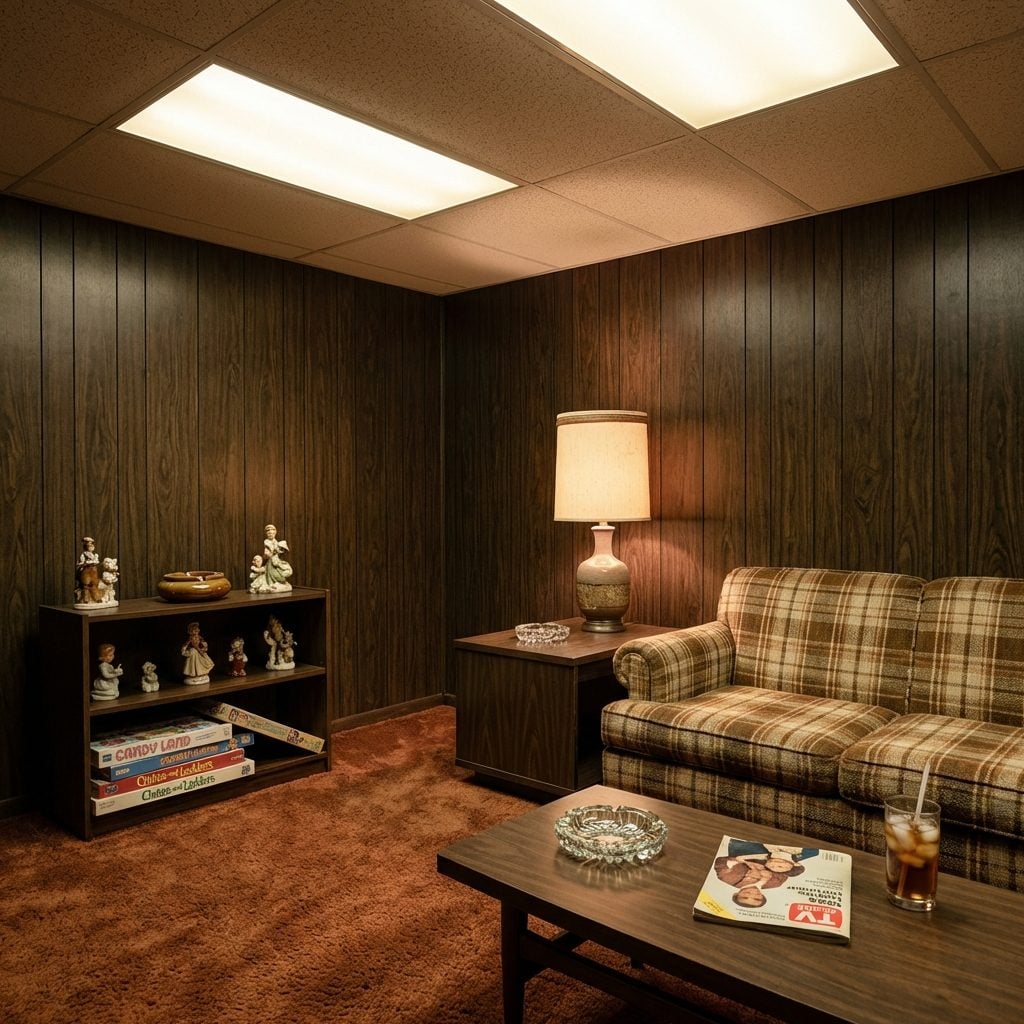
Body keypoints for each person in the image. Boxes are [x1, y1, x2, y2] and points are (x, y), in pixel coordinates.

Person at [262, 524, 293, 591]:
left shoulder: (277, 542)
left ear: (275, 533)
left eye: (272, 533)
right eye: (269, 533)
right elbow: (266, 554)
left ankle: (279, 582)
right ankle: (272, 583)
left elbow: (280, 550)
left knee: (284, 568)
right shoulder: (266, 542)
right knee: (271, 572)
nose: (270, 534)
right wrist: (271, 553)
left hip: (276, 559)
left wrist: (279, 551)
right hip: (270, 561)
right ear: (266, 534)